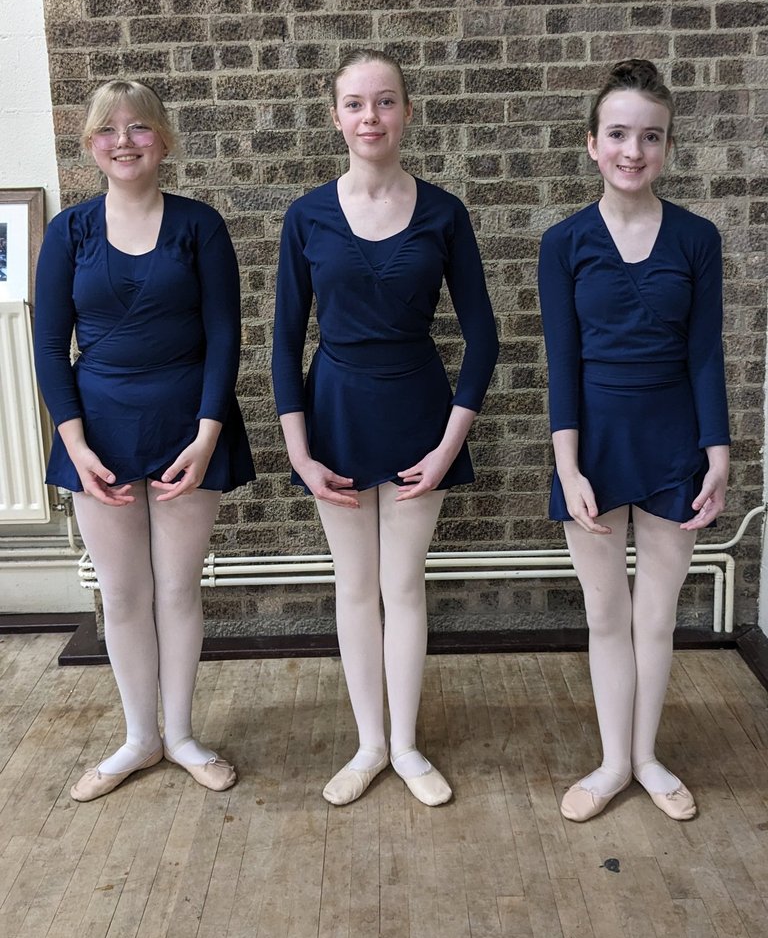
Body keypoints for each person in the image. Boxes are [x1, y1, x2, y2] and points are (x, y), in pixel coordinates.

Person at [271, 48, 499, 806]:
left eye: (386, 101)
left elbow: (484, 335)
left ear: (407, 111)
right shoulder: (306, 215)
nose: (372, 116)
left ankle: (406, 744)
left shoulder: (443, 212)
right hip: (334, 408)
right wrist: (299, 451)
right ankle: (368, 742)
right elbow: (282, 338)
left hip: (416, 411)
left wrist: (449, 443)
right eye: (357, 103)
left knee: (402, 584)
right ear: (335, 116)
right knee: (354, 586)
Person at [34, 80, 255, 801]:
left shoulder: (200, 226)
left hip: (188, 427)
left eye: (138, 128)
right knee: (124, 595)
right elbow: (48, 347)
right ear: (90, 143)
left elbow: (226, 335)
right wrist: (76, 441)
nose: (123, 141)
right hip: (97, 432)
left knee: (178, 590)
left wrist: (205, 434)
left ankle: (184, 733)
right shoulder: (70, 232)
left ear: (163, 138)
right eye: (108, 129)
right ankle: (139, 737)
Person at [538, 59, 730, 823]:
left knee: (656, 614)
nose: (632, 150)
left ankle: (647, 756)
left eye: (650, 137)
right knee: (605, 613)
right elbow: (563, 360)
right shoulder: (565, 241)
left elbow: (706, 351)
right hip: (594, 447)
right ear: (592, 143)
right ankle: (613, 760)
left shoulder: (697, 238)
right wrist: (568, 463)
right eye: (618, 133)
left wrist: (718, 449)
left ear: (668, 147)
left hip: (674, 443)